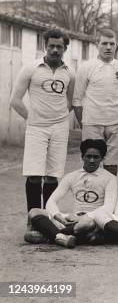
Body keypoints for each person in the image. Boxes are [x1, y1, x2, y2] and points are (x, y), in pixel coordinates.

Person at [10, 28, 75, 214]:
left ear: (65, 49)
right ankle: (34, 219)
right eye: (51, 46)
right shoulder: (31, 69)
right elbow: (15, 100)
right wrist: (33, 118)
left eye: (59, 47)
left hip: (60, 128)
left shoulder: (70, 73)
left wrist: (58, 117)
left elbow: (70, 102)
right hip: (36, 128)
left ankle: (49, 218)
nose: (55, 50)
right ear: (45, 46)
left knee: (53, 175)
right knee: (34, 175)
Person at [25, 139, 117, 248]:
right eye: (88, 156)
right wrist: (59, 217)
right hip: (73, 219)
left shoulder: (110, 178)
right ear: (82, 157)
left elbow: (108, 207)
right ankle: (61, 236)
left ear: (102, 158)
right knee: (34, 212)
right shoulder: (72, 176)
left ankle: (50, 235)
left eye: (96, 157)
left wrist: (86, 217)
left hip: (93, 219)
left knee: (87, 224)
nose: (92, 160)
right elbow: (51, 201)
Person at [73, 28, 118, 175]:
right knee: (91, 163)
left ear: (116, 45)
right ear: (97, 44)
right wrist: (84, 123)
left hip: (115, 123)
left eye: (112, 43)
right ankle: (91, 196)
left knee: (112, 166)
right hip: (92, 123)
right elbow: (77, 99)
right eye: (104, 43)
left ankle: (110, 196)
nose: (108, 47)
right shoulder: (86, 67)